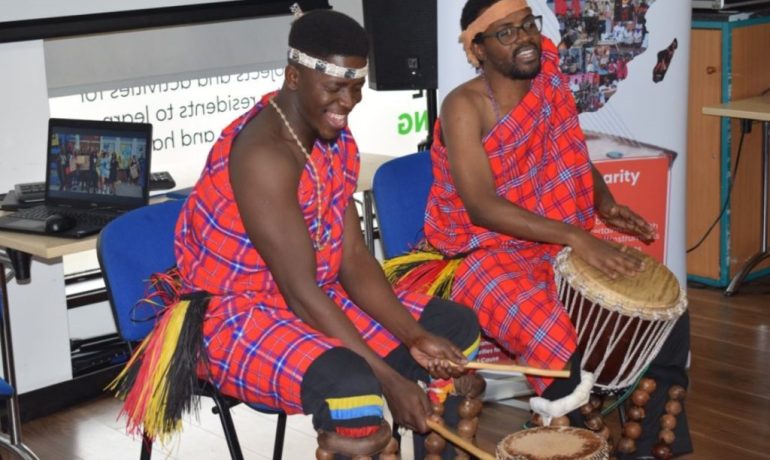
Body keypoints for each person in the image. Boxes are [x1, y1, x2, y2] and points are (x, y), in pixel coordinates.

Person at [110, 8, 481, 458]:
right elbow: (301, 292)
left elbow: (354, 260)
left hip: (312, 296)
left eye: (356, 87)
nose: (348, 102)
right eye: (334, 88)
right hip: (237, 315)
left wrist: (412, 337)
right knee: (352, 384)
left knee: (451, 326)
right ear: (292, 77)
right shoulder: (263, 153)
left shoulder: (333, 138)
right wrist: (391, 379)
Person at [384, 0, 693, 458]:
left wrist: (603, 203)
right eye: (505, 33)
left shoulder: (549, 79)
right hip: (477, 256)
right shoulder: (464, 107)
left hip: (552, 244)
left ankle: (647, 450)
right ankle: (556, 429)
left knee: (667, 316)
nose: (524, 37)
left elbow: (570, 149)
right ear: (478, 50)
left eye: (528, 25)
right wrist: (575, 236)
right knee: (547, 324)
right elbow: (482, 207)